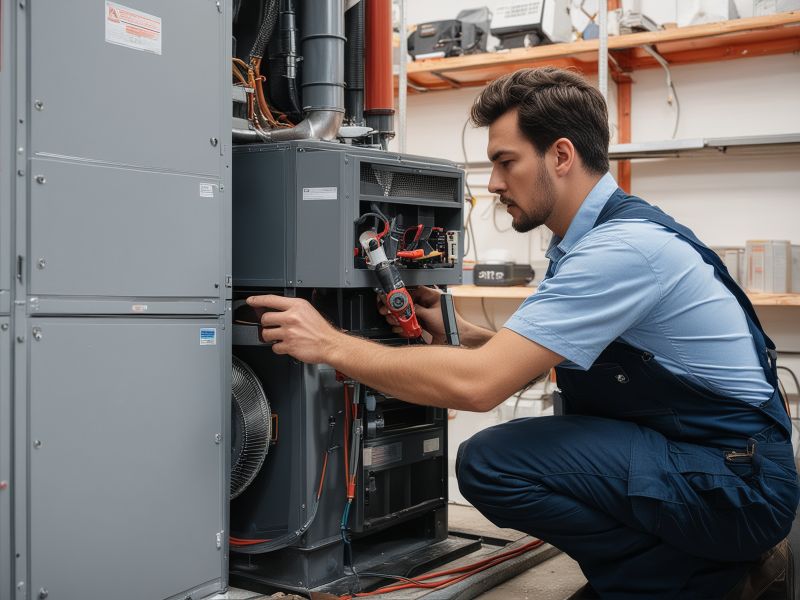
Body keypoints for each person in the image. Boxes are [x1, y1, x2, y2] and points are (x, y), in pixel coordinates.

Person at [246, 67, 799, 598]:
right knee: (555, 432)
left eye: (506, 162)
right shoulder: (597, 239)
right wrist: (460, 330)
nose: (493, 184)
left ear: (561, 155)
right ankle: (675, 572)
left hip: (738, 488)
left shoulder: (620, 251)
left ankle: (692, 579)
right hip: (719, 464)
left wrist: (329, 343)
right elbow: (559, 359)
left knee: (495, 463)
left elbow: (481, 386)